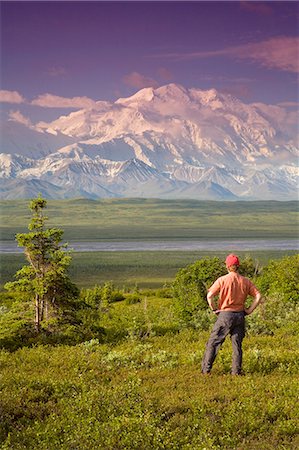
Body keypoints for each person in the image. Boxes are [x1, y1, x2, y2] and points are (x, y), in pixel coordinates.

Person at [201, 254, 261, 375]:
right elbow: (258, 296)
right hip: (240, 315)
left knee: (213, 343)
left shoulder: (222, 280)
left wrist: (214, 310)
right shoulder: (245, 281)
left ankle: (206, 371)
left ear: (228, 266)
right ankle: (236, 372)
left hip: (225, 315)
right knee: (237, 345)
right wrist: (249, 310)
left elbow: (209, 296)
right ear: (238, 266)